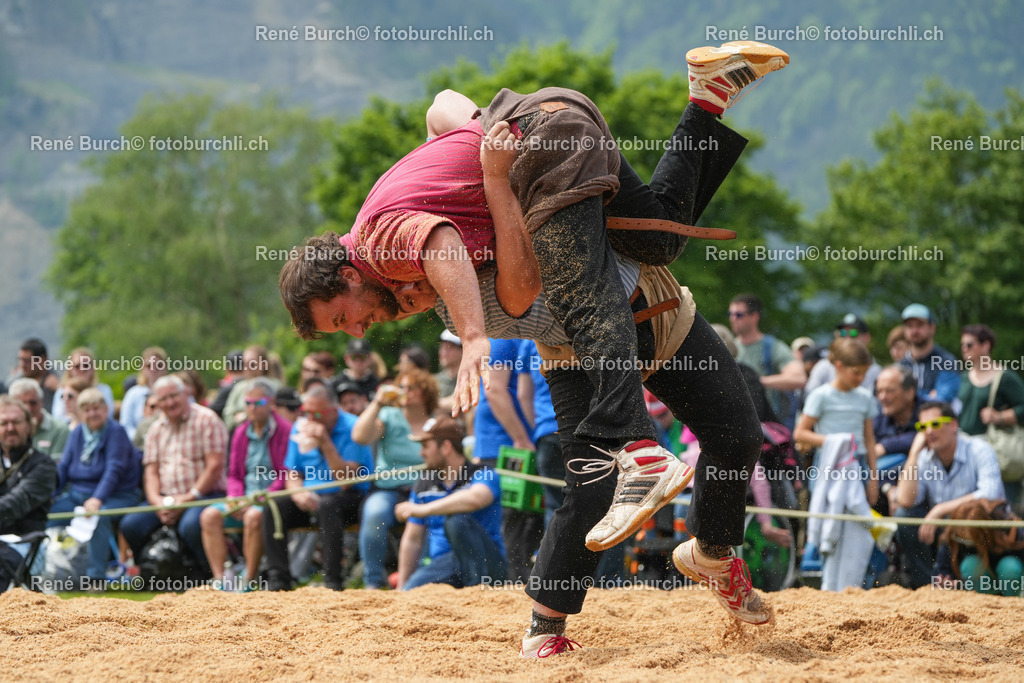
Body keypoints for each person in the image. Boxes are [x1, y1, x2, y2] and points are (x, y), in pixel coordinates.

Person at [282, 42, 789, 652]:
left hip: (645, 307)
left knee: (734, 430)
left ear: (347, 274)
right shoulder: (431, 273)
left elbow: (448, 244)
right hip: (583, 337)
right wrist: (477, 147)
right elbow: (443, 107)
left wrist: (487, 162)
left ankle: (709, 544)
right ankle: (547, 627)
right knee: (658, 234)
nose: (361, 330)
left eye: (346, 317)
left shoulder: (389, 242)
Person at [261, 381, 373, 591]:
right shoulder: (300, 427)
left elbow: (346, 479)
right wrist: (298, 493)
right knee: (274, 507)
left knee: (328, 505)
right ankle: (278, 579)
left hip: (348, 496)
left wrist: (324, 442)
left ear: (333, 411)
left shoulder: (353, 427)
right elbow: (292, 472)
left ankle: (332, 581)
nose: (311, 419)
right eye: (307, 413)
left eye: (318, 415)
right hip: (311, 496)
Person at [119, 375, 228, 576]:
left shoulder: (207, 420)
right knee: (130, 524)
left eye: (173, 396)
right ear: (157, 403)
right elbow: (151, 472)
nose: (169, 403)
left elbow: (215, 466)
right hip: (166, 498)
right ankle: (159, 572)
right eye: (163, 399)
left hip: (204, 496)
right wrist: (157, 501)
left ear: (186, 393)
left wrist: (189, 498)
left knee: (191, 525)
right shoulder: (155, 429)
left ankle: (205, 574)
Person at [894, 401, 1004, 588]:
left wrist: (940, 509)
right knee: (904, 517)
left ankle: (959, 583)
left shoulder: (979, 449)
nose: (928, 431)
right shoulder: (923, 457)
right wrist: (912, 454)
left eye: (935, 424)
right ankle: (927, 585)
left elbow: (991, 493)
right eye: (922, 427)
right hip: (943, 531)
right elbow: (905, 500)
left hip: (979, 528)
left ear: (953, 425)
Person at [199, 378, 290, 591]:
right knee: (209, 516)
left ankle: (249, 579)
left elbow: (286, 474)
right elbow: (234, 475)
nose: (251, 408)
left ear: (271, 403)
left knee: (254, 516)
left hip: (268, 499)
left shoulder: (285, 430)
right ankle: (221, 579)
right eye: (248, 403)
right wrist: (235, 497)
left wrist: (263, 496)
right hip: (244, 498)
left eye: (257, 403)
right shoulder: (240, 432)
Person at [396, 418, 506, 590]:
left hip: (488, 565)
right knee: (410, 590)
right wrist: (401, 587)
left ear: (446, 447)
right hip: (444, 565)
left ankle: (478, 594)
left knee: (456, 521)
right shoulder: (423, 484)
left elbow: (476, 498)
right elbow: (412, 539)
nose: (421, 453)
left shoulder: (484, 473)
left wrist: (423, 509)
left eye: (426, 446)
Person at [351, 369, 435, 589]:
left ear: (425, 393)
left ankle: (419, 580)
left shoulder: (435, 423)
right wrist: (377, 403)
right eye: (402, 387)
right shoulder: (388, 416)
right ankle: (374, 581)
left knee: (429, 518)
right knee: (374, 514)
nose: (405, 392)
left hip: (424, 490)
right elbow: (359, 436)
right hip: (387, 490)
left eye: (411, 388)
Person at [48, 388, 141, 585]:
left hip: (118, 494)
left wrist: (97, 499)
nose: (92, 414)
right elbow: (64, 467)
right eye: (87, 410)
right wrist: (50, 494)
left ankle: (95, 579)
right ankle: (42, 573)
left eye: (96, 409)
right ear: (81, 413)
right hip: (78, 494)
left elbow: (113, 470)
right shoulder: (77, 433)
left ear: (106, 409)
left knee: (98, 518)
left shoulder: (117, 432)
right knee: (47, 515)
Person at [794, 338, 879, 501]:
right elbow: (800, 433)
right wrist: (837, 441)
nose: (861, 378)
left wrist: (873, 478)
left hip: (857, 462)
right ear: (839, 366)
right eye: (856, 372)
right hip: (828, 461)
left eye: (864, 373)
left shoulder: (866, 398)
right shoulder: (820, 396)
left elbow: (869, 440)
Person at [956, 324, 1024, 506]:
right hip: (965, 451)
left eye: (969, 344)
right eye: (962, 345)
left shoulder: (1005, 377)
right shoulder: (963, 377)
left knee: (999, 509)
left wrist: (1000, 417)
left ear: (986, 346)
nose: (964, 349)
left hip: (996, 452)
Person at [0, 395, 58, 591]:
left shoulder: (43, 466)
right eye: (4, 423)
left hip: (27, 544)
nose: (10, 428)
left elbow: (14, 504)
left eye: (16, 422)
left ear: (28, 425)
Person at [729, 293, 807, 428]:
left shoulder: (772, 347)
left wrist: (757, 382)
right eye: (730, 314)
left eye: (739, 315)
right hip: (737, 425)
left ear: (755, 317)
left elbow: (799, 378)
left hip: (768, 429)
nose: (733, 318)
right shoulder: (728, 348)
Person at [872, 364, 922, 514]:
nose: (882, 397)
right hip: (884, 488)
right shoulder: (877, 418)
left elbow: (928, 435)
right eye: (879, 391)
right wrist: (888, 489)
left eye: (889, 391)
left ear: (910, 392)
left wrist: (885, 446)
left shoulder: (931, 410)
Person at [803, 314, 882, 396]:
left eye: (853, 333)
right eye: (843, 333)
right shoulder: (824, 366)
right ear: (838, 366)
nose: (847, 338)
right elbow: (809, 396)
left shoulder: (875, 370)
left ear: (866, 337)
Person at [899, 303, 960, 403]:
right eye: (909, 326)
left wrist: (908, 398)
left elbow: (943, 399)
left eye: (920, 325)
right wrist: (928, 396)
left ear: (932, 328)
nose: (914, 331)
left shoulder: (946, 362)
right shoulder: (900, 366)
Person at [222, 345, 281, 434]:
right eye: (244, 364)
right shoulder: (239, 388)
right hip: (243, 438)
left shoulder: (276, 387)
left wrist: (245, 416)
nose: (246, 368)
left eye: (251, 364)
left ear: (263, 364)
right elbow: (227, 416)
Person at [8, 378, 69, 462]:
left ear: (42, 402)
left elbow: (56, 468)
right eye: (22, 404)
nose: (28, 408)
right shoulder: (7, 430)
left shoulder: (59, 429)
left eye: (33, 403)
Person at [50, 348, 115, 422]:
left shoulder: (103, 390)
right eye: (77, 366)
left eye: (86, 365)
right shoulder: (62, 392)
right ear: (70, 369)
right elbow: (58, 419)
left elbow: (107, 416)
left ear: (93, 368)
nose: (82, 369)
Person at [119, 347, 168, 441]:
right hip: (138, 445)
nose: (153, 369)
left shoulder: (172, 392)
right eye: (149, 365)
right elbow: (125, 424)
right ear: (142, 368)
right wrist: (142, 438)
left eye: (159, 365)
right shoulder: (133, 394)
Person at [7, 338, 61, 411]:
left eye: (27, 360)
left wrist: (60, 390)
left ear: (42, 360)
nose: (22, 365)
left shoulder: (56, 383)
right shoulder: (14, 382)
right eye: (20, 360)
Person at [435, 330, 462, 415]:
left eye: (449, 348)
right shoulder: (434, 380)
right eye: (442, 348)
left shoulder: (471, 379)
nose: (443, 353)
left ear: (463, 350)